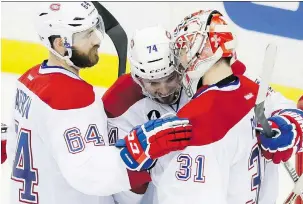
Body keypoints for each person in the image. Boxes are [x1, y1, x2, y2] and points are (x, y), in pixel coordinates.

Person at [108, 11, 303, 204]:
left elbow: (280, 105)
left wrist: (291, 125)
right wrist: (139, 166)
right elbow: (117, 192)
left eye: (171, 78)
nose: (163, 90)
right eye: (152, 83)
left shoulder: (211, 112)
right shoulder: (121, 102)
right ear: (137, 78)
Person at [6, 2, 192, 204]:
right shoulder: (71, 97)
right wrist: (139, 151)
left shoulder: (28, 80)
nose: (97, 39)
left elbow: (15, 150)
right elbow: (89, 174)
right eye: (86, 34)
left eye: (95, 29)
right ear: (61, 44)